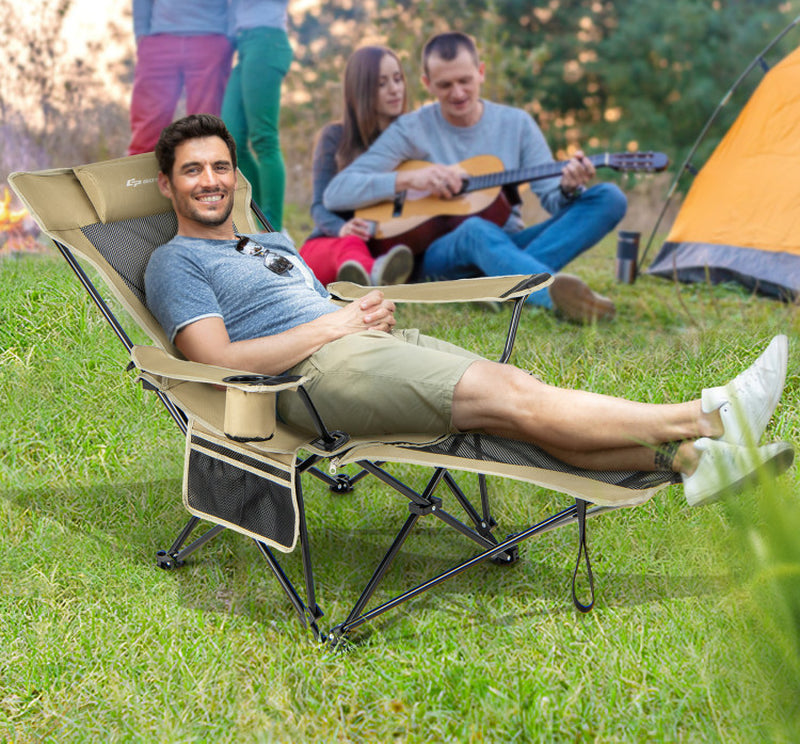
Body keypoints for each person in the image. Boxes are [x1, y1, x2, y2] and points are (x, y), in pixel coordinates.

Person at [143, 115, 794, 508]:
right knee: (512, 397)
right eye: (193, 170)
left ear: (236, 177)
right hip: (309, 382)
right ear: (168, 184)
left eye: (221, 167)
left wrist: (355, 311)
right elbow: (219, 364)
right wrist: (338, 324)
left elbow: (308, 303)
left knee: (517, 405)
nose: (211, 181)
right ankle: (707, 418)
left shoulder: (268, 239)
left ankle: (691, 465)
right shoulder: (174, 262)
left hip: (353, 349)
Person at [322, 31, 629, 324]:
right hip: (443, 254)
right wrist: (407, 181)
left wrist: (568, 186)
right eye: (445, 85)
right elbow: (337, 192)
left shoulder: (517, 124)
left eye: (465, 81)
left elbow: (553, 200)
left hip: (507, 241)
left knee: (609, 198)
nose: (457, 93)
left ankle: (496, 285)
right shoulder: (410, 128)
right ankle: (550, 295)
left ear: (481, 72)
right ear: (427, 83)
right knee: (475, 230)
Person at [298, 45, 415, 287]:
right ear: (362, 90)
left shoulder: (412, 141)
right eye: (382, 84)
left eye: (397, 79)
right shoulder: (334, 136)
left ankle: (372, 278)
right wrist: (342, 228)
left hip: (383, 245)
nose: (395, 90)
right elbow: (319, 206)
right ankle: (374, 276)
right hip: (330, 244)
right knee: (352, 244)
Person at [221, 0, 301, 232]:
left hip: (266, 43)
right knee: (231, 138)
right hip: (250, 46)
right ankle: (261, 218)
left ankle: (274, 227)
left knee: (264, 138)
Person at [128, 0, 233, 156]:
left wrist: (227, 38)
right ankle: (140, 189)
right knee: (145, 135)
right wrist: (142, 36)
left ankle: (205, 188)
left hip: (210, 41)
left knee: (206, 134)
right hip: (159, 42)